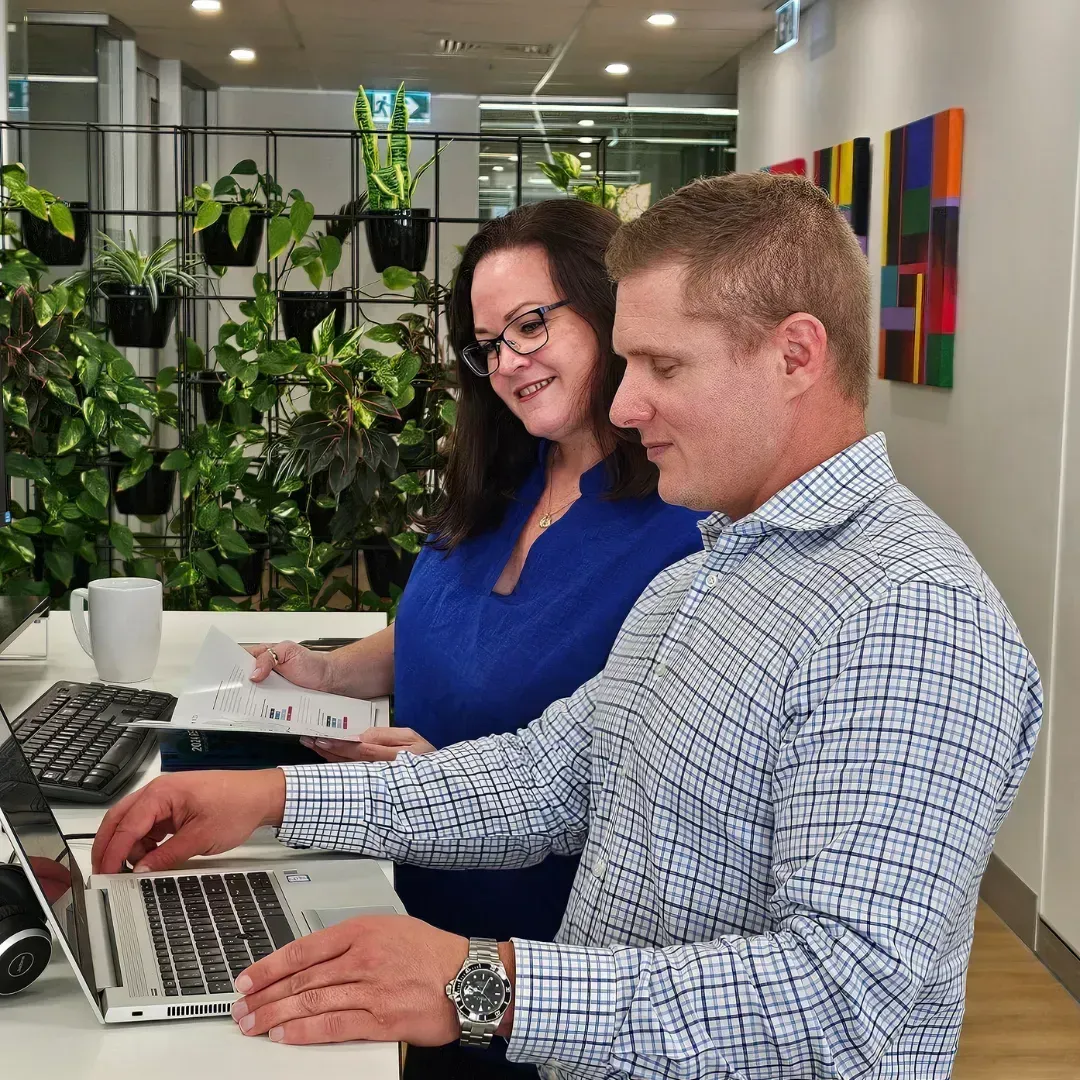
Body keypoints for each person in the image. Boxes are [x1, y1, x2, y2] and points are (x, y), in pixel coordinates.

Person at [93, 173, 1042, 1080]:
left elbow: (839, 999)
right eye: (627, 362)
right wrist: (268, 800)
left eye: (664, 365)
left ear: (796, 354)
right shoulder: (713, 572)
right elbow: (549, 777)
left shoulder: (910, 616)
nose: (626, 404)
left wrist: (479, 985)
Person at [243, 198, 704, 1075]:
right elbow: (442, 628)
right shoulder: (504, 474)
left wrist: (442, 774)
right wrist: (332, 673)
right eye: (489, 344)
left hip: (532, 957)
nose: (509, 361)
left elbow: (643, 785)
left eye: (531, 324)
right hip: (399, 893)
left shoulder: (682, 523)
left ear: (613, 311)